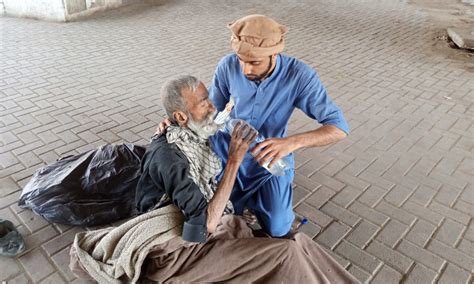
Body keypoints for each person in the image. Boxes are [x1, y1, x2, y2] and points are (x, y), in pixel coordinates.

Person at [159, 15, 349, 237]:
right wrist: (176, 121)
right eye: (241, 59)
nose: (246, 69)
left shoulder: (299, 76)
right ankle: (244, 205)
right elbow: (210, 111)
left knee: (278, 228)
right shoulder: (228, 66)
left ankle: (260, 204)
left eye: (255, 62)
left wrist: (291, 143)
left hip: (267, 159)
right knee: (215, 217)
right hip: (226, 152)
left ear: (274, 54)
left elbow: (338, 128)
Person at [135, 75, 257, 243]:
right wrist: (234, 161)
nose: (213, 108)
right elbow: (202, 229)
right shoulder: (170, 158)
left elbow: (215, 123)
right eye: (203, 103)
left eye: (209, 99)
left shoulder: (190, 131)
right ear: (181, 117)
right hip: (167, 225)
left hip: (191, 205)